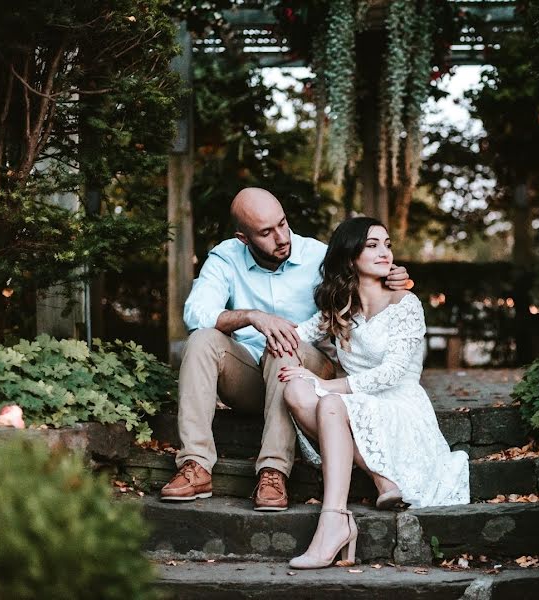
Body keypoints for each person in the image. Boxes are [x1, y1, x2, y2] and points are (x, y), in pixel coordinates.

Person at [160, 188, 409, 510]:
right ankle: (195, 465)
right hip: (251, 377)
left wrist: (394, 278)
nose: (281, 237)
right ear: (243, 238)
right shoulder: (226, 257)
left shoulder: (318, 255)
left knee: (283, 344)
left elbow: (364, 283)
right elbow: (196, 313)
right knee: (201, 339)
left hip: (309, 372)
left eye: (283, 224)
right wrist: (252, 316)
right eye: (266, 232)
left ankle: (273, 470)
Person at [279, 216, 469, 569]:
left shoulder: (405, 304)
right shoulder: (340, 310)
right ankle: (375, 486)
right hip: (355, 404)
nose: (385, 252)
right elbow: (298, 336)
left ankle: (336, 517)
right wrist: (273, 336)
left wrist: (324, 383)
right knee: (295, 391)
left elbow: (393, 373)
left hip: (401, 404)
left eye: (387, 244)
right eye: (372, 245)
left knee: (329, 400)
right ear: (351, 256)